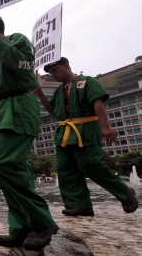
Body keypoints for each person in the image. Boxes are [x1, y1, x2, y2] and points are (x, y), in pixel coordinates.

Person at [0, 14, 58, 251]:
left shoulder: (16, 41)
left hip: (18, 111)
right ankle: (20, 229)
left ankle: (42, 222)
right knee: (14, 171)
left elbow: (25, 66)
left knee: (0, 165)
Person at [34, 57, 138, 216]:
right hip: (64, 133)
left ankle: (125, 192)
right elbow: (53, 112)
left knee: (91, 164)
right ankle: (78, 205)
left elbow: (98, 103)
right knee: (66, 169)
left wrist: (106, 126)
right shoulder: (59, 91)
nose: (53, 74)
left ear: (67, 66)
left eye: (55, 70)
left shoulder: (86, 82)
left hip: (86, 129)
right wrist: (40, 93)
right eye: (50, 72)